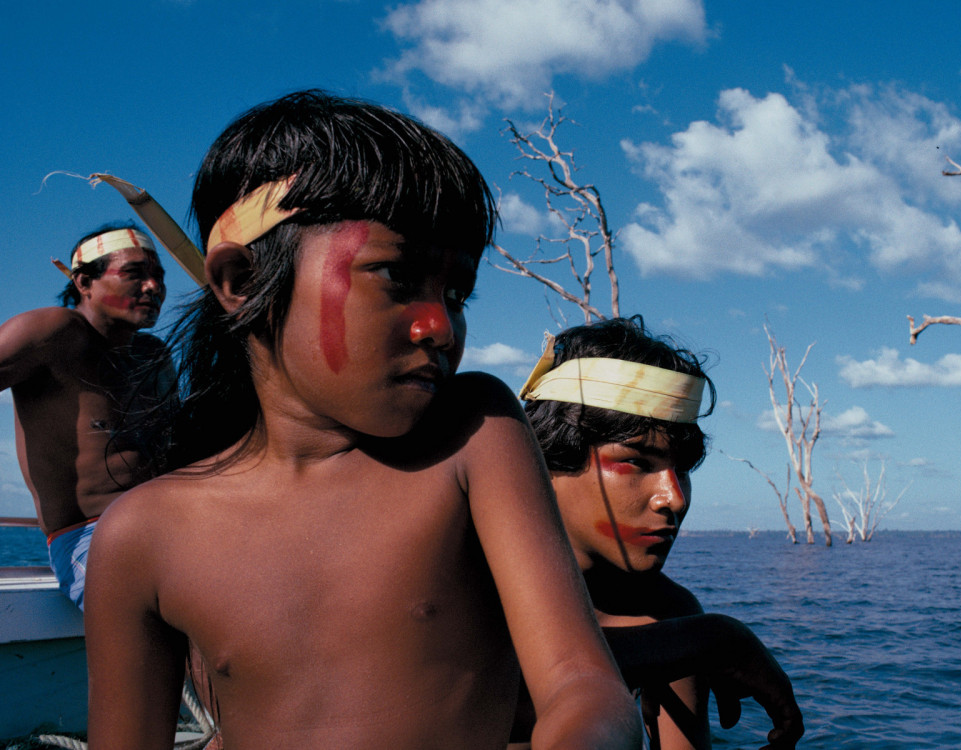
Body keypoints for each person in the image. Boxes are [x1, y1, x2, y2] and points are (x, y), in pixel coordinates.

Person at [83, 90, 640, 750]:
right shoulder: (143, 534)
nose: (440, 327)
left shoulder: (473, 436)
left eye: (455, 293)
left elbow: (580, 684)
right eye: (395, 278)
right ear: (239, 283)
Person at [517, 316, 804, 750]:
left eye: (683, 469)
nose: (674, 498)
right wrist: (711, 641)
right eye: (635, 462)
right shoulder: (460, 580)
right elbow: (480, 680)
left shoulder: (668, 615)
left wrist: (694, 642)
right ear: (547, 459)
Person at [0, 224, 169, 609]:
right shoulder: (53, 332)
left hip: (170, 523)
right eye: (135, 274)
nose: (153, 287)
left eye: (159, 276)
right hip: (92, 537)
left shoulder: (153, 356)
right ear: (84, 282)